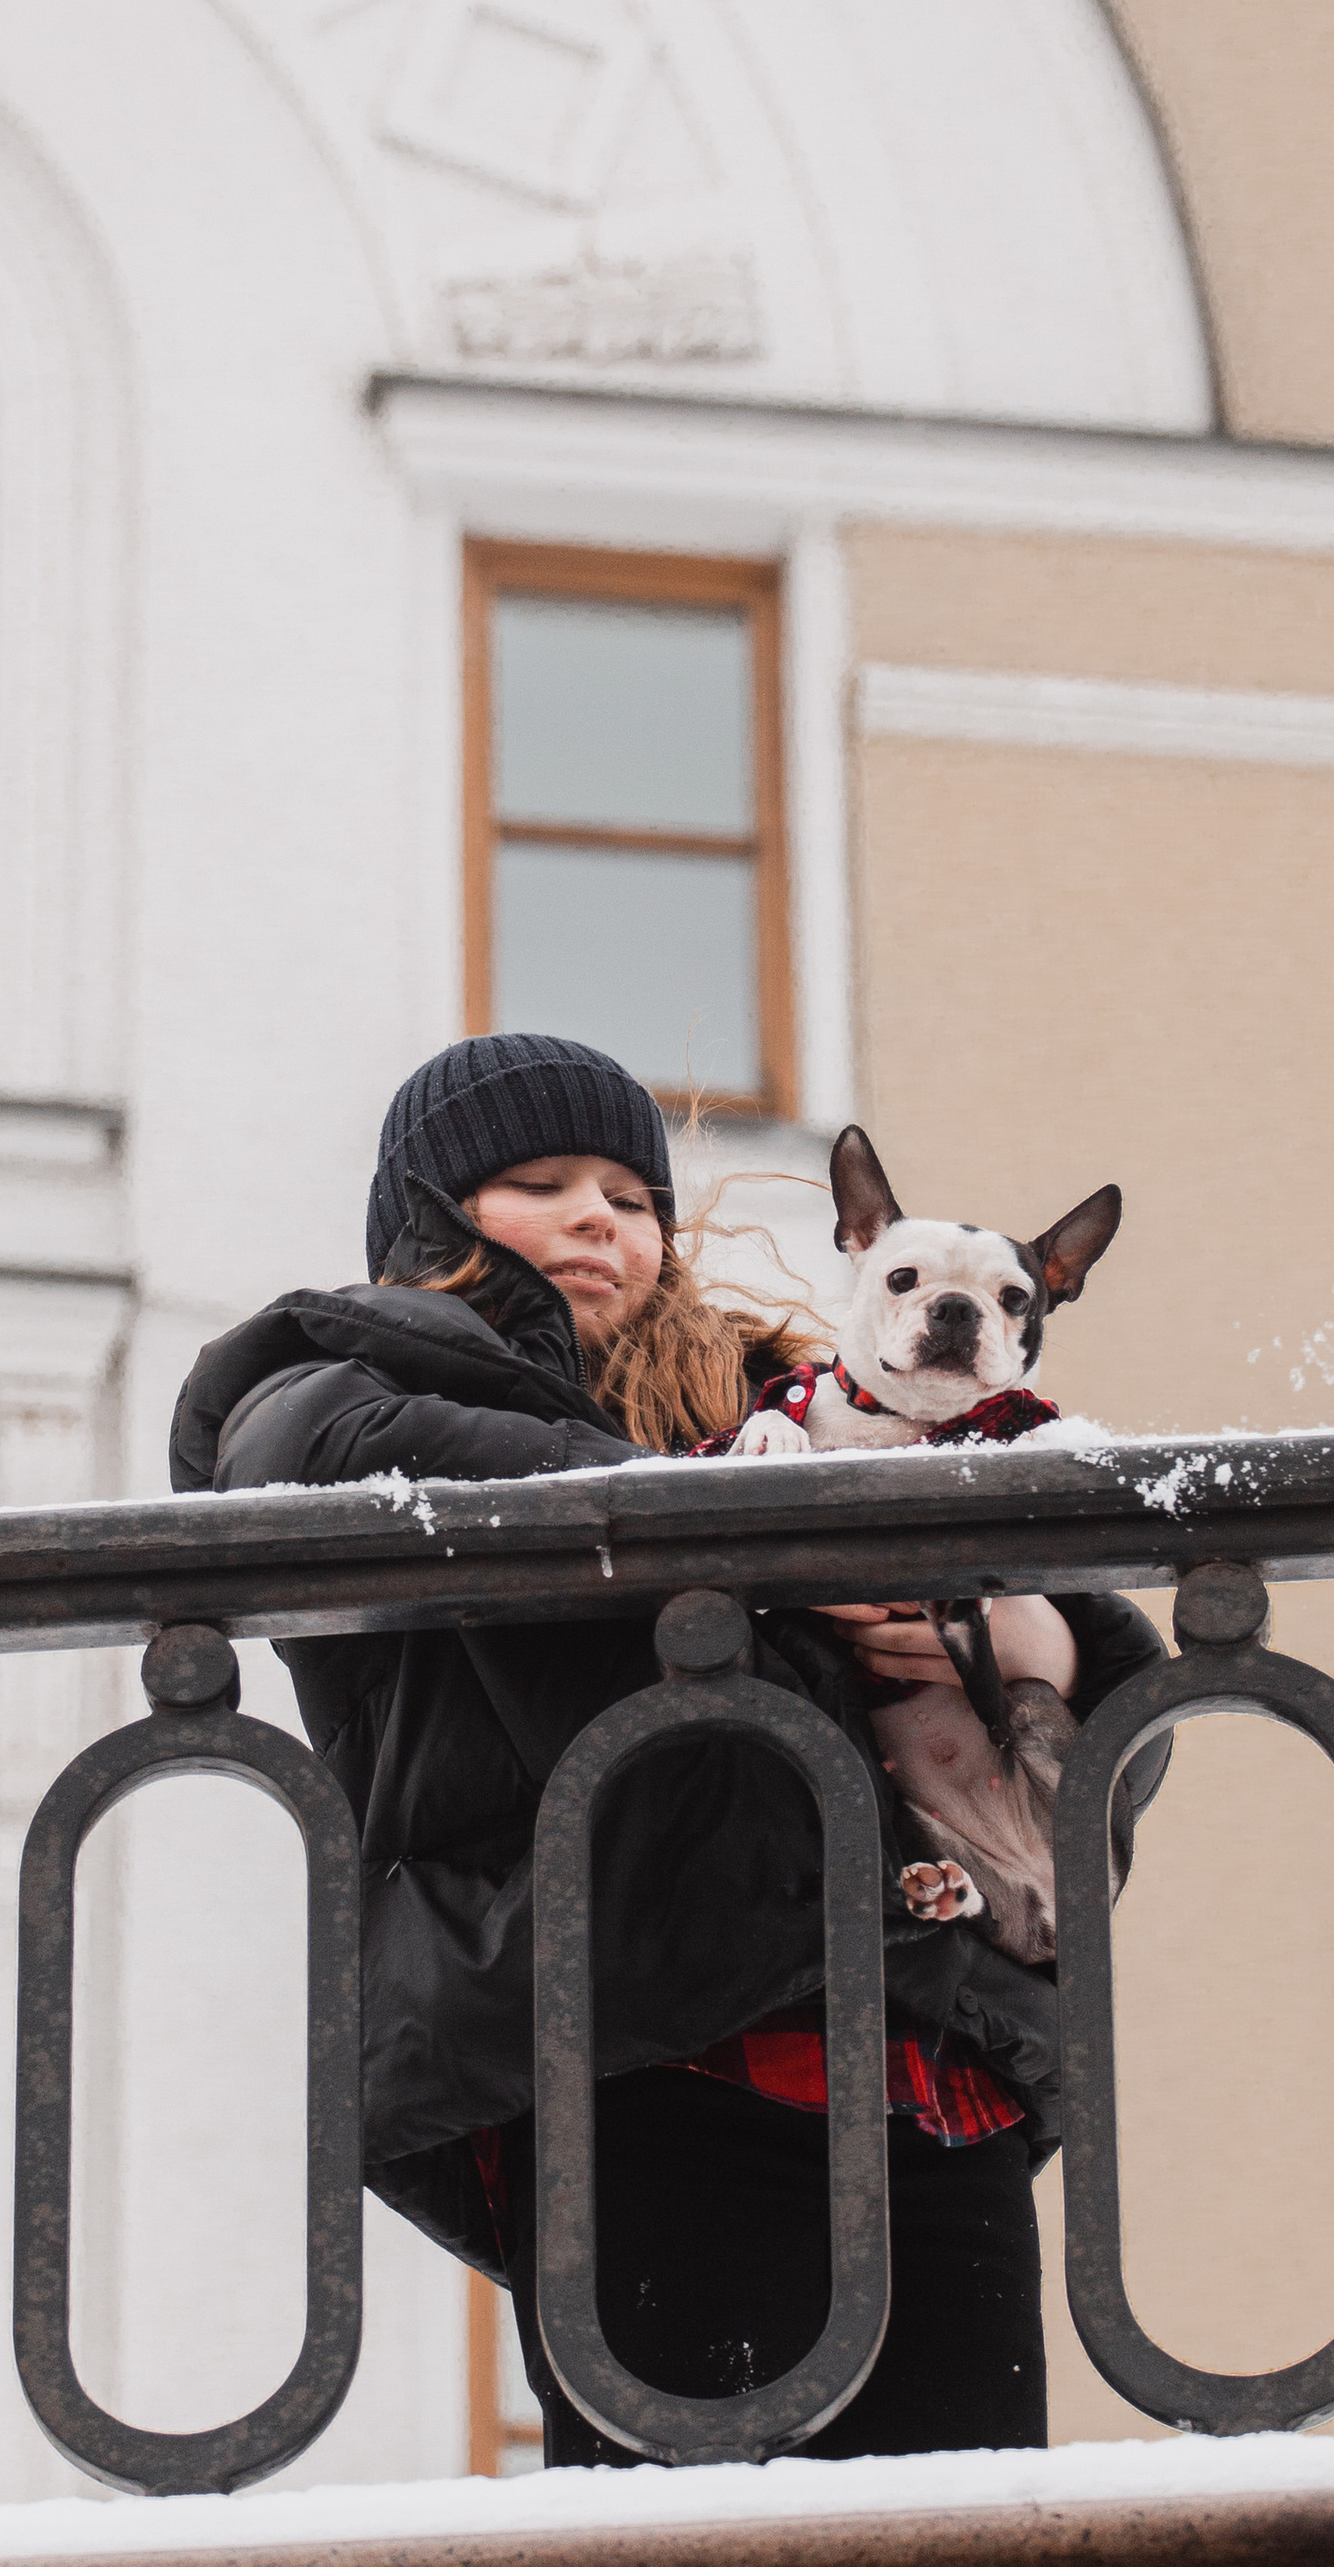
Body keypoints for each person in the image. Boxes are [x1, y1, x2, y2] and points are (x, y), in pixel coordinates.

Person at [168, 1031, 1167, 2464]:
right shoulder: (337, 1373)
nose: (600, 1217)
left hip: (931, 2063)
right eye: (538, 1183)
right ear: (425, 1219)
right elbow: (306, 1459)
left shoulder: (787, 1407)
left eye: (633, 1196)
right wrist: (760, 1540)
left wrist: (1031, 1644)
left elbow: (1103, 1717)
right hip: (636, 2051)